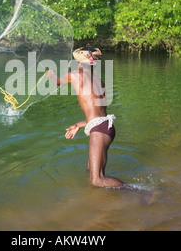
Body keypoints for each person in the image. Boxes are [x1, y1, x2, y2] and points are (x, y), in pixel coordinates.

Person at [47, 45, 126, 189]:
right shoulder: (100, 81)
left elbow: (57, 82)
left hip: (100, 129)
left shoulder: (76, 75)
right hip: (106, 127)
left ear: (79, 63)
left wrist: (51, 73)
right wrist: (78, 125)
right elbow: (97, 114)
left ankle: (140, 191)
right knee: (90, 170)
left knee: (97, 180)